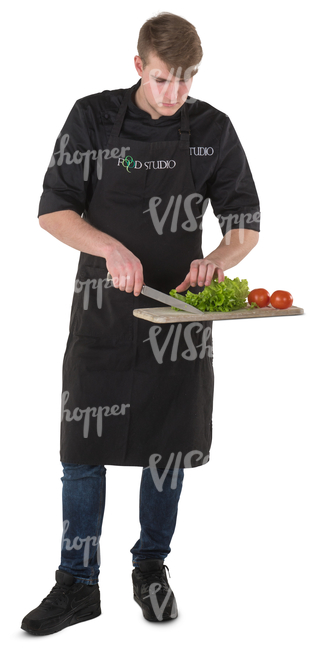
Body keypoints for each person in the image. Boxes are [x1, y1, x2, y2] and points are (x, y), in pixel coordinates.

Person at [21, 11, 260, 634]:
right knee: (81, 454)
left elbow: (245, 224)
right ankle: (76, 584)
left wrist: (216, 260)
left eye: (185, 80)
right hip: (102, 315)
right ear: (137, 67)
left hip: (178, 317)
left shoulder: (213, 129)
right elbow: (52, 211)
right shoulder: (92, 118)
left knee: (168, 453)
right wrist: (108, 247)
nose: (173, 94)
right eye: (161, 79)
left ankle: (151, 567)